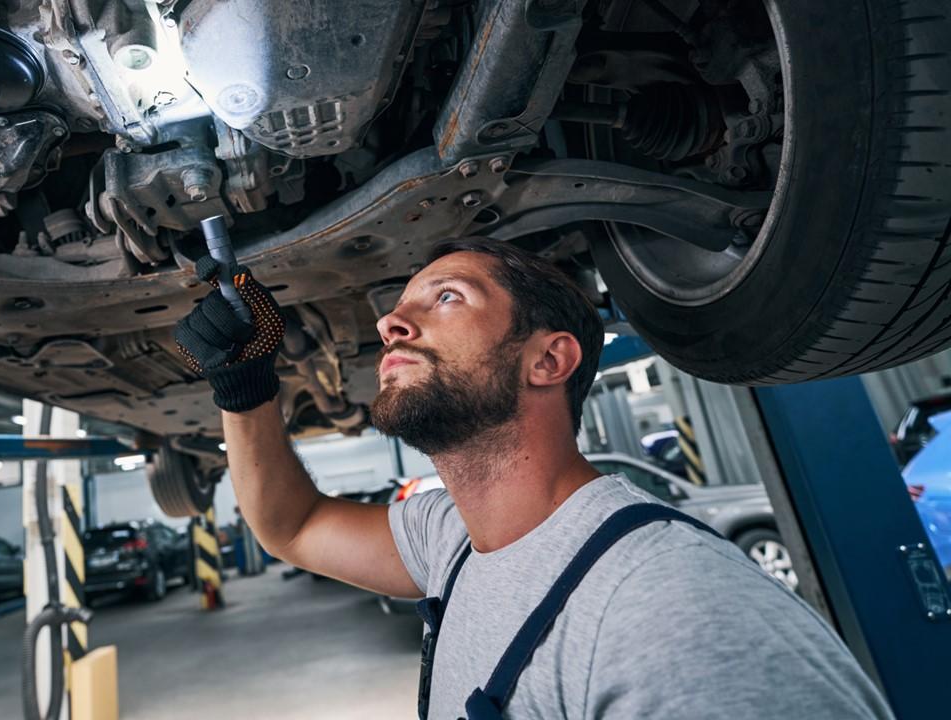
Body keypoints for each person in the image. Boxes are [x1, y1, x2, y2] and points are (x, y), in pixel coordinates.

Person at [174, 237, 892, 719]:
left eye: (446, 297)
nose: (392, 321)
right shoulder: (451, 542)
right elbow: (290, 525)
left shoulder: (670, 608)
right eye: (402, 305)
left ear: (548, 361)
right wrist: (245, 385)